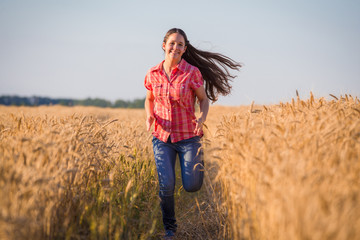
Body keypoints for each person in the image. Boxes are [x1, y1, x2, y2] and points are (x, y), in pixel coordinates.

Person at [144, 28, 241, 238]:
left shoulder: (192, 73)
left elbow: (204, 100)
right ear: (164, 45)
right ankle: (170, 229)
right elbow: (149, 99)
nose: (175, 48)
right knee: (166, 185)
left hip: (189, 136)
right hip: (162, 137)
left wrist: (201, 118)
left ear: (185, 49)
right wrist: (149, 115)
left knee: (192, 186)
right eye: (172, 43)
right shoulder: (153, 73)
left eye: (180, 45)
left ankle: (196, 165)